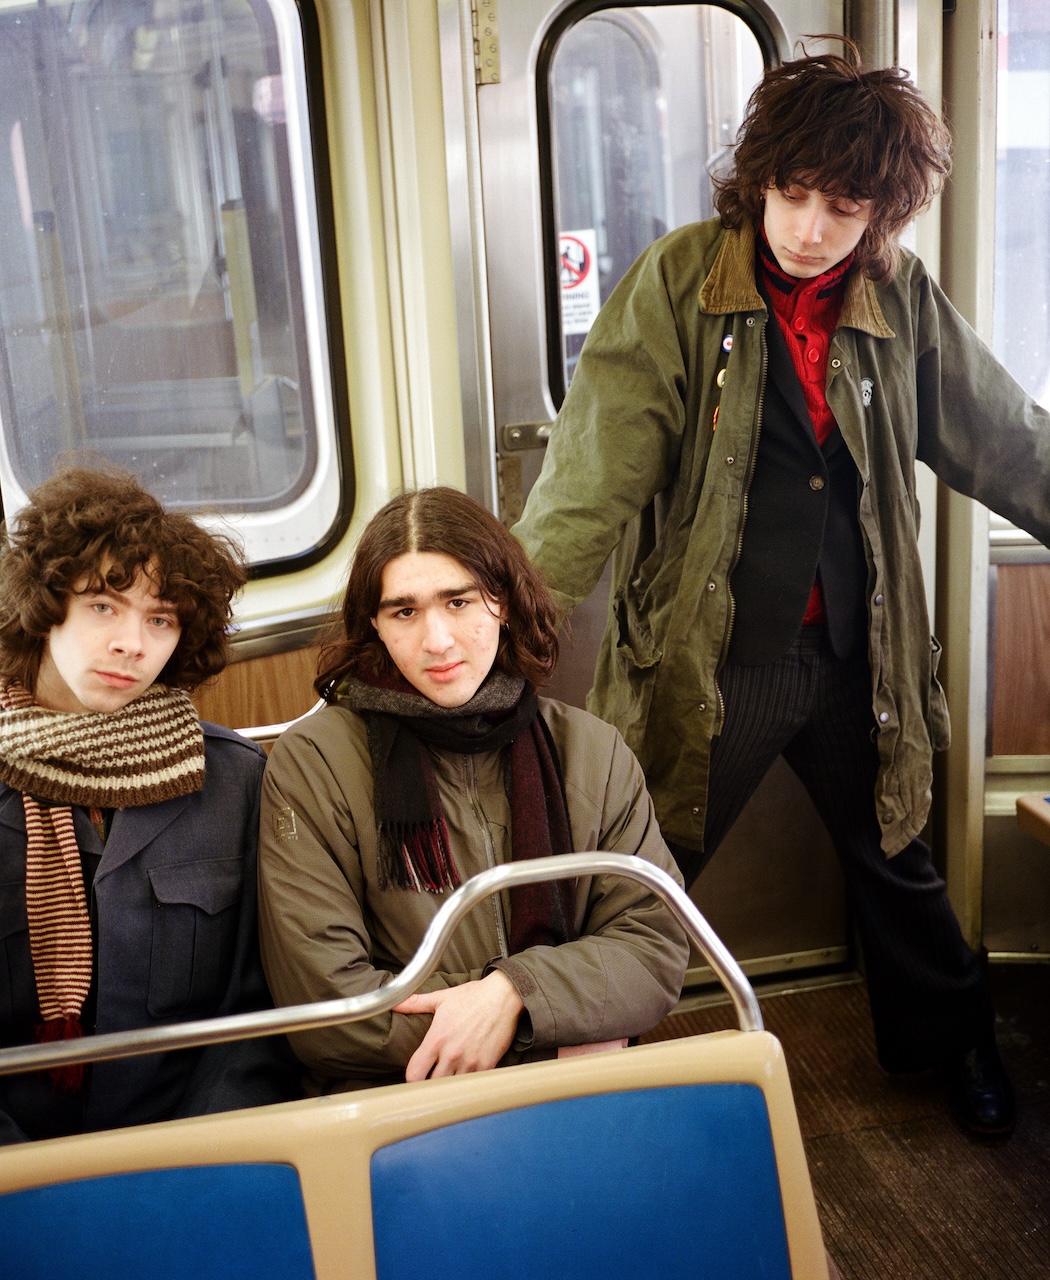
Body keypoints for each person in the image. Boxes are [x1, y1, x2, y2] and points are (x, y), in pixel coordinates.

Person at [512, 43, 1042, 1137]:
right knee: (640, 869)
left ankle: (958, 1041)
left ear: (882, 215)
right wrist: (502, 630)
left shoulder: (898, 296)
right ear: (757, 180)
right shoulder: (680, 281)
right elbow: (591, 474)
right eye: (792, 195)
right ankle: (571, 1072)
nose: (808, 229)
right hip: (713, 657)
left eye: (842, 208)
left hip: (856, 654)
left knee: (896, 854)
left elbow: (1003, 438)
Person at [257, 487, 688, 1093]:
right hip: (408, 1093)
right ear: (375, 624)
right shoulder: (315, 764)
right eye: (404, 612)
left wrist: (514, 994)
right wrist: (539, 1027)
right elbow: (329, 1011)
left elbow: (654, 946)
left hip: (579, 1090)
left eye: (458, 602)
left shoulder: (592, 752)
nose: (436, 640)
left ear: (503, 603)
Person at [0, 467, 298, 1143]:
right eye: (103, 606)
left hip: (190, 1152)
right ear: (46, 605)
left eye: (159, 620)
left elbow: (255, 1015)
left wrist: (194, 1161)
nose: (131, 644)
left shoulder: (232, 782)